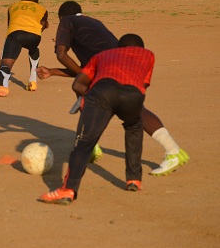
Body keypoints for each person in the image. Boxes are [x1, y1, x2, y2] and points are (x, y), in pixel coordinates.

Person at [36, 1, 189, 176]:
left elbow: (62, 55)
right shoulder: (93, 24)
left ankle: (92, 144)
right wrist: (53, 72)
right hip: (125, 65)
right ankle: (173, 150)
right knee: (133, 107)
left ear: (61, 17)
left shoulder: (67, 21)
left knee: (83, 91)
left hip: (112, 69)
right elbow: (90, 68)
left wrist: (85, 77)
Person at [39, 34, 153, 205]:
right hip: (133, 95)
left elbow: (78, 84)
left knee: (84, 143)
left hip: (102, 93)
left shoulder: (101, 56)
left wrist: (88, 102)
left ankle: (68, 190)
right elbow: (142, 87)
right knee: (134, 126)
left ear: (118, 48)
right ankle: (134, 179)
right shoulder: (148, 55)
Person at [0, 0, 48, 97]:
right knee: (34, 49)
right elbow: (42, 25)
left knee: (5, 64)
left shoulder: (12, 6)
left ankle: (3, 87)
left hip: (16, 34)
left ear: (21, 0)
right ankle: (33, 80)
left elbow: (10, 24)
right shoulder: (42, 9)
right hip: (35, 36)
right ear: (37, 2)